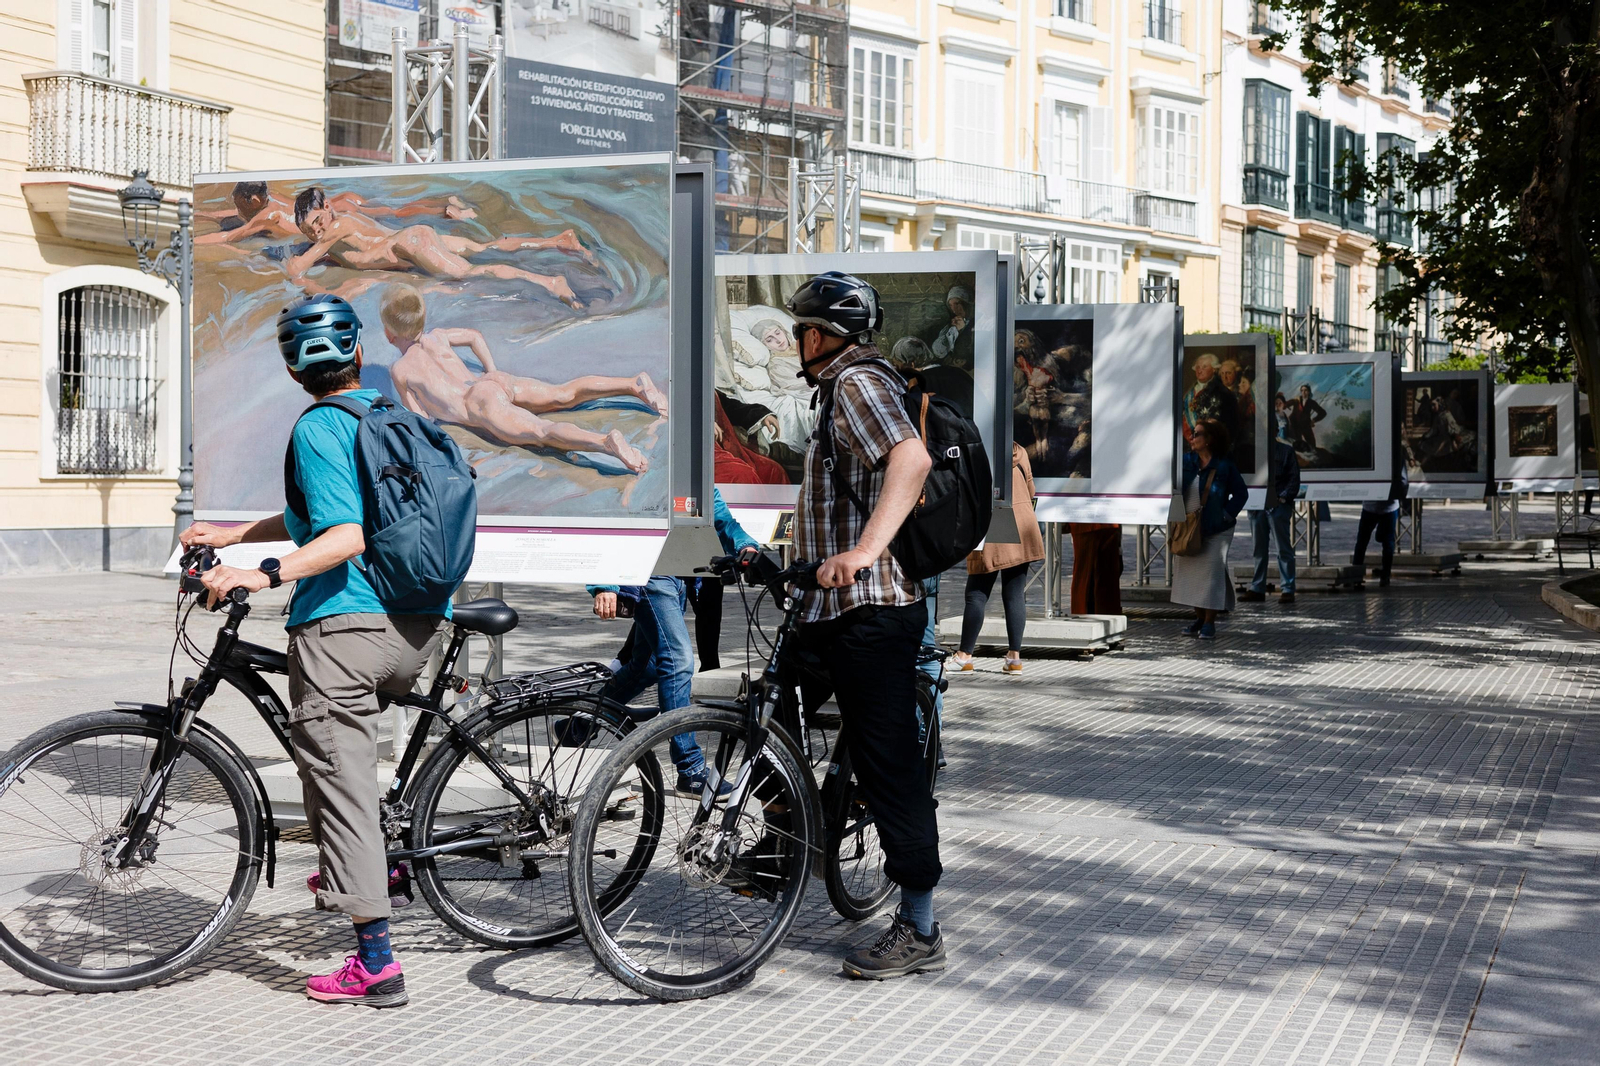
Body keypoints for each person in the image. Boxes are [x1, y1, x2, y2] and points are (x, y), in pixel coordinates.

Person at [180, 294, 457, 1008]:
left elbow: (343, 536)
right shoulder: (388, 416)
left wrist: (258, 574)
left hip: (349, 629)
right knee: (337, 768)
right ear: (359, 353)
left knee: (340, 788)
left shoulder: (316, 429)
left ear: (292, 369)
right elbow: (322, 510)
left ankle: (377, 964)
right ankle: (365, 864)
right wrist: (233, 537)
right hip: (414, 619)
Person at [785, 270, 945, 980]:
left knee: (890, 768)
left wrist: (862, 552)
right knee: (769, 705)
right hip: (829, 607)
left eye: (798, 330)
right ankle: (786, 838)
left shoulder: (856, 383)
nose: (797, 340)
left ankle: (920, 927)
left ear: (818, 336)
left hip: (874, 607)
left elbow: (911, 460)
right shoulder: (835, 391)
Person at [381, 286, 659, 473]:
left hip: (479, 405)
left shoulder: (401, 369)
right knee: (562, 394)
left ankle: (604, 442)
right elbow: (474, 336)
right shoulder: (438, 336)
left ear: (389, 334)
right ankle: (632, 384)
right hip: (492, 381)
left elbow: (419, 420)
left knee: (542, 431)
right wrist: (491, 370)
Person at [589, 490, 758, 794]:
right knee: (678, 662)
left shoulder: (695, 474)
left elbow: (723, 521)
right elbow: (609, 519)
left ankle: (581, 721)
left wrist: (746, 544)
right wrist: (606, 584)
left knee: (649, 666)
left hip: (681, 575)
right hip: (649, 573)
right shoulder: (643, 469)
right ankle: (690, 768)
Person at [288, 186, 592, 307]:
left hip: (411, 244)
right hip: (414, 239)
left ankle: (550, 282)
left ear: (327, 206)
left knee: (471, 273)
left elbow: (298, 268)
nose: (316, 231)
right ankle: (557, 241)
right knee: (483, 247)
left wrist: (303, 279)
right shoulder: (341, 227)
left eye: (317, 221)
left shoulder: (337, 226)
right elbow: (349, 251)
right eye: (308, 229)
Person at [952, 444, 1045, 673]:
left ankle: (964, 655)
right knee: (1014, 592)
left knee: (977, 591)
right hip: (1021, 521)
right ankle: (1014, 658)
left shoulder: (977, 451)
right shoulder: (1019, 450)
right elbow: (1031, 490)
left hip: (994, 521)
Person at [196, 181, 477, 245]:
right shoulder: (273, 200)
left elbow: (230, 236)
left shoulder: (266, 216)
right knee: (396, 210)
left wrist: (192, 242)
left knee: (397, 214)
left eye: (240, 202)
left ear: (254, 199)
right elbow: (233, 215)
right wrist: (200, 215)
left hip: (338, 211)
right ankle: (445, 205)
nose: (237, 208)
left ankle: (447, 211)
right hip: (339, 203)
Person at [1171, 418, 1249, 640]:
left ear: (1210, 439)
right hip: (1189, 528)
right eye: (1193, 434)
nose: (1192, 437)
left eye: (1197, 434)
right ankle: (1198, 617)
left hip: (1217, 530)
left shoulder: (1224, 466)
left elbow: (1241, 494)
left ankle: (1209, 623)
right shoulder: (1185, 461)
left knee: (1212, 574)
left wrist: (1225, 515)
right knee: (1191, 576)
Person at [1241, 409, 1302, 605]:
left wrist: (1282, 499)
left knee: (1283, 548)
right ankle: (1257, 587)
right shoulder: (1252, 453)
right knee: (1259, 548)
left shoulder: (1286, 452)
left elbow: (1293, 479)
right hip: (1256, 506)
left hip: (1278, 507)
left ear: (1276, 431)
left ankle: (1287, 588)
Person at [1353, 467, 1409, 587]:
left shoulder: (1369, 454)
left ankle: (1355, 574)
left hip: (1371, 505)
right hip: (1388, 506)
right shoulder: (1396, 456)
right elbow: (1403, 481)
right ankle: (1385, 575)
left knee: (1362, 541)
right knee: (1387, 542)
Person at [1068, 522, 1123, 615]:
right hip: (1106, 523)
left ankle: (1082, 613)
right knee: (1106, 575)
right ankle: (1105, 615)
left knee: (1084, 574)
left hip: (1086, 523)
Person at [1287, 383, 1327, 456]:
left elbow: (1323, 413)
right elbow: (1287, 404)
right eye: (1302, 390)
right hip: (1295, 425)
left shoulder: (1311, 402)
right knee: (1296, 444)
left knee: (1312, 444)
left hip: (1306, 425)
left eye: (1305, 390)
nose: (1303, 392)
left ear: (1309, 392)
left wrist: (1314, 420)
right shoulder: (1297, 400)